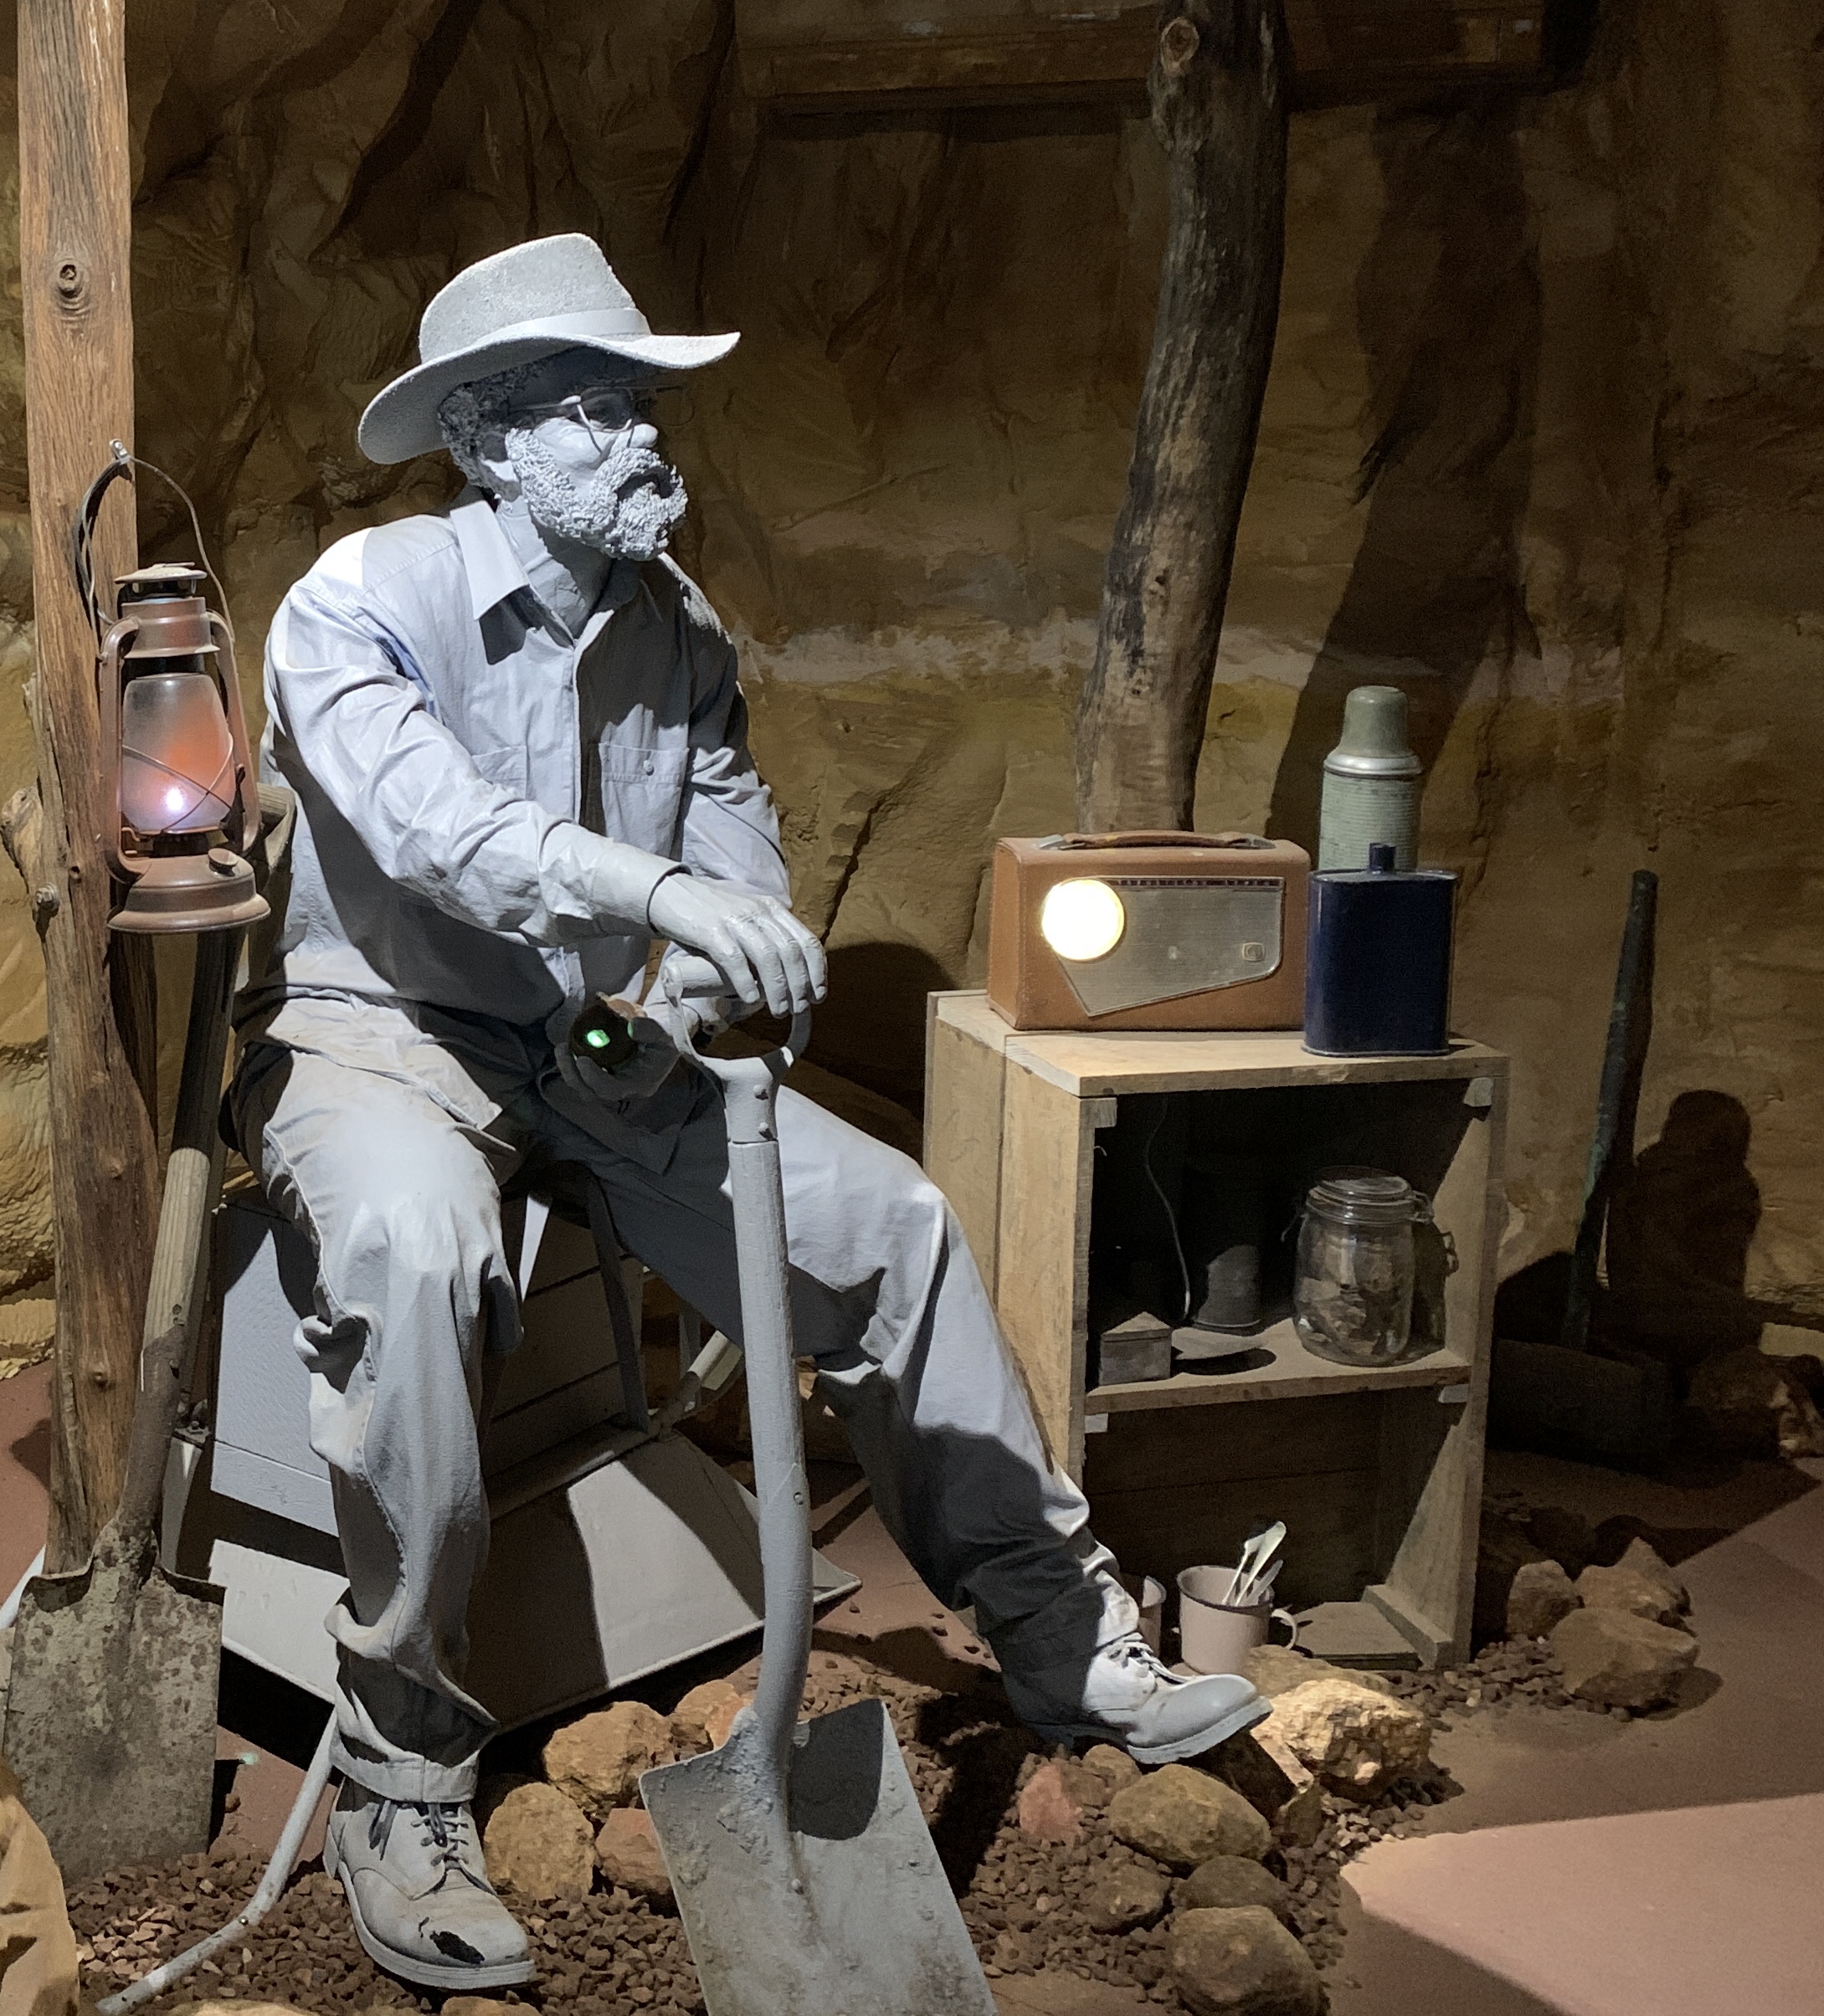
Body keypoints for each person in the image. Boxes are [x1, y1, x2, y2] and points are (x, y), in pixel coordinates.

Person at [228, 233, 1266, 1994]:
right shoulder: (363, 599)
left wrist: (696, 979)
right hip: (382, 1028)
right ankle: (404, 1770)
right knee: (409, 1245)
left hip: (596, 1036)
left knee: (889, 1228)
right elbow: (435, 833)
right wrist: (653, 893)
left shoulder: (674, 626)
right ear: (488, 443)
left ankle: (1057, 1634)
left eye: (643, 405)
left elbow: (731, 837)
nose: (644, 439)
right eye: (595, 410)